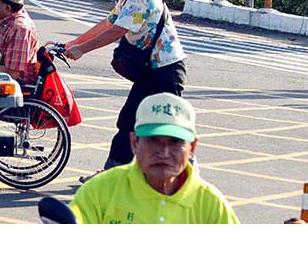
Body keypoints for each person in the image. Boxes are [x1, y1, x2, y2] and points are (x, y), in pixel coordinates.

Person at [65, 0, 187, 176]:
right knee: (130, 120)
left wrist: (82, 50)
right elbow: (108, 22)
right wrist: (75, 42)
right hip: (152, 71)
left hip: (166, 72)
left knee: (162, 128)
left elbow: (115, 31)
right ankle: (115, 174)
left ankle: (181, 177)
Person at [70, 93, 239, 224]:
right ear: (134, 142)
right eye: (153, 140)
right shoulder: (99, 191)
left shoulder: (210, 203)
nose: (164, 152)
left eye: (175, 142)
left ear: (192, 147)